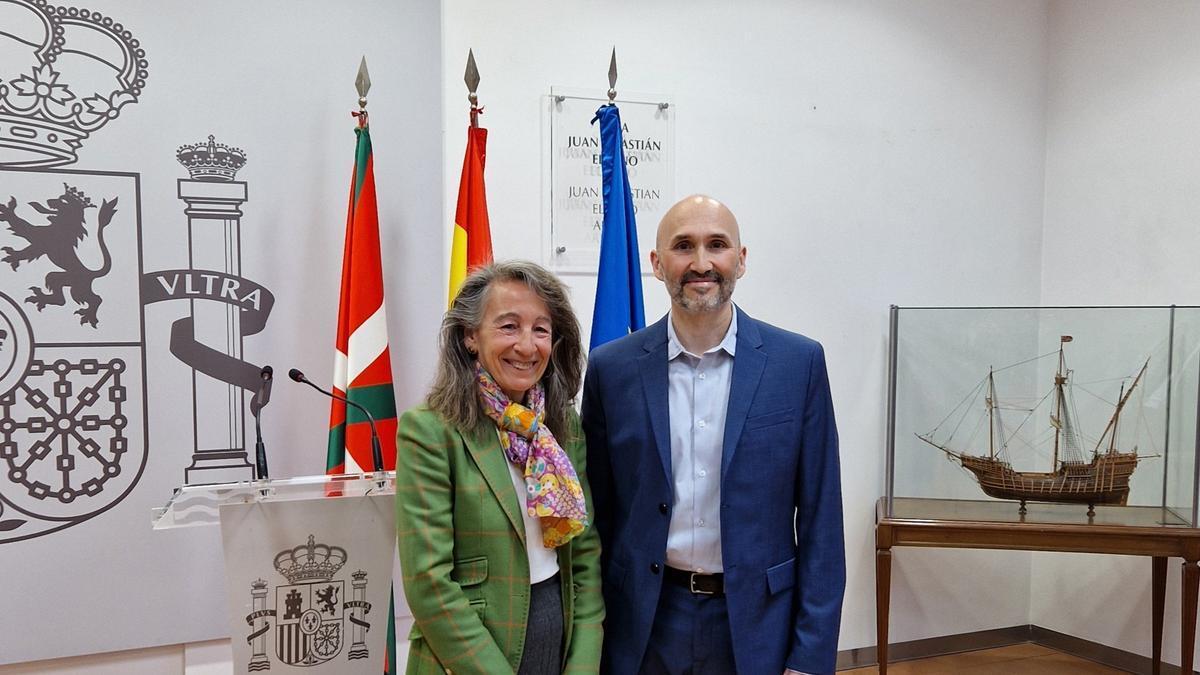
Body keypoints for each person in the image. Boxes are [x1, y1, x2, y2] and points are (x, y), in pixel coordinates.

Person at [581, 195, 845, 675]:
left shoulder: (798, 365)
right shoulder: (610, 370)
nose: (701, 263)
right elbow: (597, 513)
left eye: (716, 245)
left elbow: (822, 520)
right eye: (683, 246)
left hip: (758, 623)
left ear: (740, 261)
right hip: (644, 623)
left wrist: (811, 655)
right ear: (658, 264)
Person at [396, 260, 604, 675]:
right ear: (471, 336)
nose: (527, 347)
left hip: (557, 636)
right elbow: (429, 583)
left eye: (540, 330)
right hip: (468, 652)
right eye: (509, 327)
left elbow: (584, 556)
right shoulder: (430, 430)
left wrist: (582, 664)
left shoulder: (562, 426)